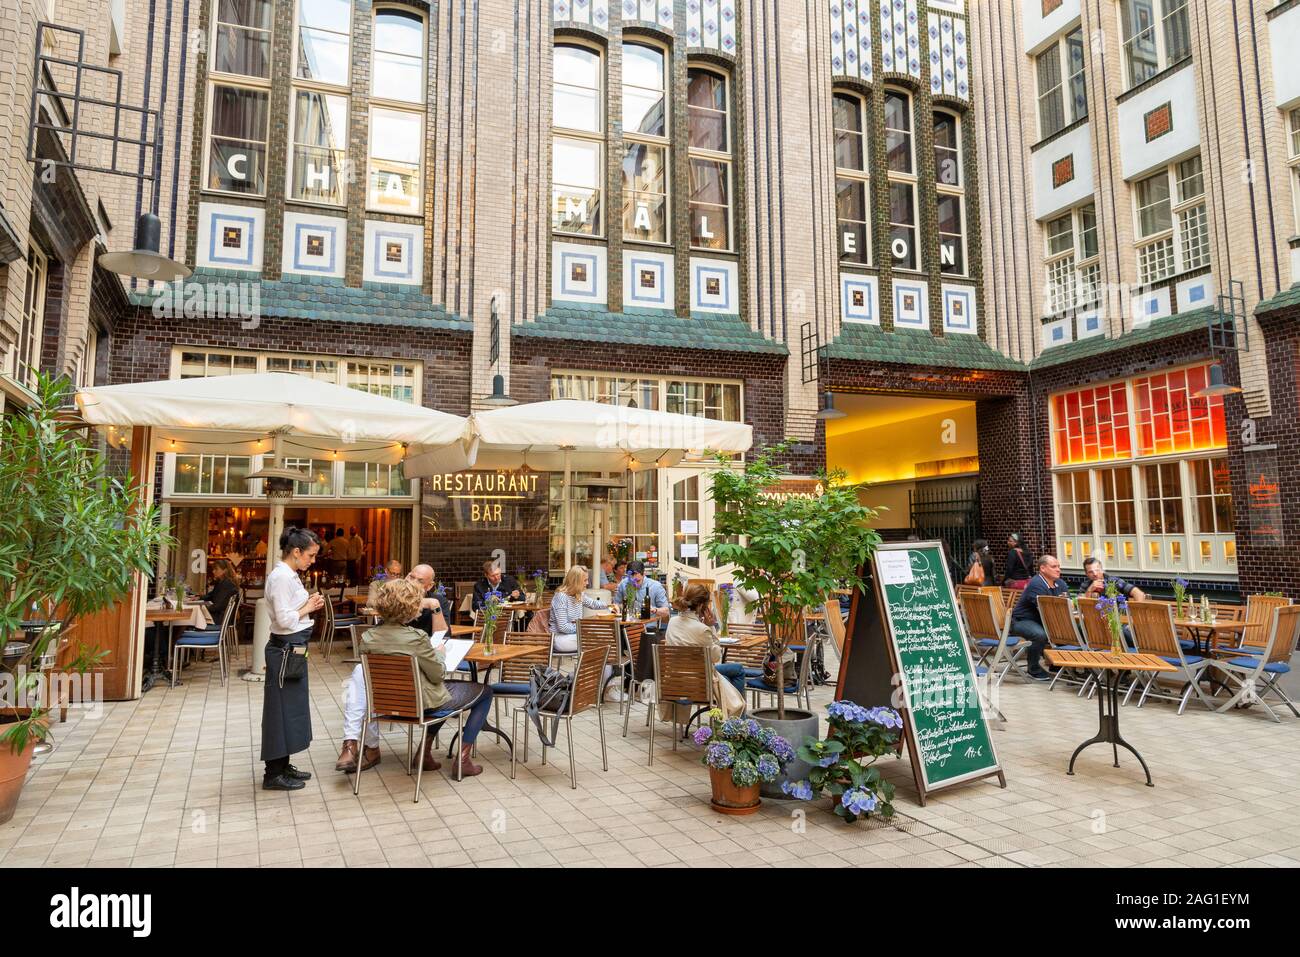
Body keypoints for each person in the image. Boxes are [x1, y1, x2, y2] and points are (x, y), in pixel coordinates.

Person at [358, 578, 493, 777]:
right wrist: (439, 653)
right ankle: (463, 759)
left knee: (443, 693)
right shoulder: (417, 638)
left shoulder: (368, 637)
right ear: (409, 607)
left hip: (385, 704)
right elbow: (438, 674)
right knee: (485, 692)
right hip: (420, 706)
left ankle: (425, 754)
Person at [261, 526, 325, 791]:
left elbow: (289, 611)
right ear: (296, 552)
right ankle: (273, 773)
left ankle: (283, 765)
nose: (312, 561)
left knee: (291, 708)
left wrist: (307, 604)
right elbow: (285, 619)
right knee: (281, 710)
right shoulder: (281, 578)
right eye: (310, 555)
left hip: (293, 648)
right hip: (285, 649)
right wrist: (309, 606)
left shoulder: (290, 575)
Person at [666, 583, 747, 695]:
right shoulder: (702, 629)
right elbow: (716, 657)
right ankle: (736, 711)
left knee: (728, 676)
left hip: (673, 679)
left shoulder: (672, 622)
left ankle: (731, 710)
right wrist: (710, 626)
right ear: (700, 606)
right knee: (738, 670)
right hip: (697, 681)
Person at [1010, 554, 1070, 681]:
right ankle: (1033, 669)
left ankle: (1058, 665)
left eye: (1059, 566)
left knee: (1067, 631)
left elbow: (1067, 604)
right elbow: (1045, 609)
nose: (1058, 569)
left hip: (1044, 621)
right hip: (1022, 621)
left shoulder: (1060, 583)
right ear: (1043, 568)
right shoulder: (1036, 584)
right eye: (1054, 567)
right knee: (1039, 635)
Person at [1081, 556, 1143, 650]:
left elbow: (1138, 593)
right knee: (1081, 629)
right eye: (1090, 572)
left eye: (1097, 570)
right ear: (1086, 574)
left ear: (1102, 569)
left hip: (1119, 624)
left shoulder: (1113, 581)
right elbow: (1081, 606)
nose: (1095, 574)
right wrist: (1089, 590)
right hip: (1098, 626)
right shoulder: (1086, 585)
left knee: (1125, 634)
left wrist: (1135, 617)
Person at [549, 566, 610, 653]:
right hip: (561, 639)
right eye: (585, 580)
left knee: (604, 638)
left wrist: (610, 605)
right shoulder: (561, 597)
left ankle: (594, 666)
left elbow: (593, 604)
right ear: (576, 581)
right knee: (600, 640)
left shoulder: (579, 594)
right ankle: (590, 666)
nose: (588, 583)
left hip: (575, 636)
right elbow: (563, 627)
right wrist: (583, 627)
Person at [614, 561, 670, 629]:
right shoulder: (623, 584)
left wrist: (655, 610)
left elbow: (666, 611)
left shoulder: (656, 586)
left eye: (637, 581)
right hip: (627, 626)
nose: (635, 584)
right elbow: (616, 604)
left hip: (648, 627)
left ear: (644, 574)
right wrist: (617, 607)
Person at [407, 564, 449, 635]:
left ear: (429, 586)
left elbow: (442, 637)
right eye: (411, 577)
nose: (412, 583)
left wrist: (435, 606)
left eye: (420, 581)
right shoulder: (394, 597)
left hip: (425, 644)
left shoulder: (439, 601)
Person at [202, 558, 240, 628]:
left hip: (219, 620)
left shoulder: (227, 584)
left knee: (190, 619)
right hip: (219, 617)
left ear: (224, 570)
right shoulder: (222, 582)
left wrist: (201, 607)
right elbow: (211, 595)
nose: (213, 571)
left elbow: (217, 606)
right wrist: (198, 598)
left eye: (216, 569)